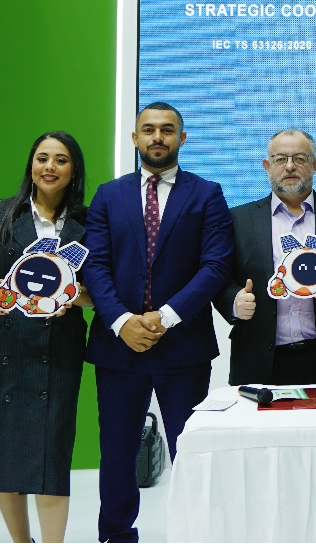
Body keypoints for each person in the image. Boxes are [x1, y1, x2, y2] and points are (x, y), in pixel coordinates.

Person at [81, 102, 233, 544]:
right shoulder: (108, 195)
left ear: (182, 138)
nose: (157, 137)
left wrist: (165, 317)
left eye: (167, 130)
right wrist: (122, 321)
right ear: (135, 138)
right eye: (148, 130)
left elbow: (215, 266)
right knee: (117, 452)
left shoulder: (206, 194)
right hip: (118, 347)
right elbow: (95, 265)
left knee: (191, 451)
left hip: (183, 348)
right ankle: (115, 534)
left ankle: (196, 533)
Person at [0, 131, 94, 543]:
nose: (49, 167)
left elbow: (98, 292)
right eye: (42, 158)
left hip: (58, 348)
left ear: (74, 170)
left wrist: (73, 297)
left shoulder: (89, 223)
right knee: (4, 455)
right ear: (31, 165)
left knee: (52, 456)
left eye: (61, 160)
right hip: (2, 344)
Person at [213, 129, 316, 385]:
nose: (290, 167)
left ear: (315, 165)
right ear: (266, 166)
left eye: (300, 159)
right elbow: (218, 277)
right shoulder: (238, 220)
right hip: (258, 359)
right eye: (280, 159)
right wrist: (234, 302)